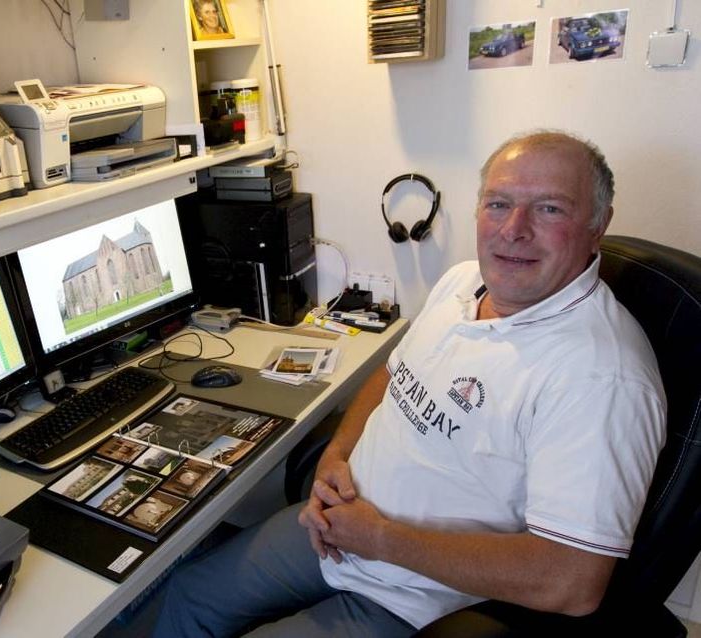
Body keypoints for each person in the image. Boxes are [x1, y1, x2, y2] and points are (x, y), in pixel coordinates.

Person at [151, 131, 666, 637]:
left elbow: (570, 583)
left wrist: (381, 539)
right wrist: (337, 458)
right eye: (498, 203)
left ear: (598, 226)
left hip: (413, 595)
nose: (514, 229)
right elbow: (393, 374)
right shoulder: (463, 281)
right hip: (339, 529)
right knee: (189, 594)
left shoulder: (601, 379)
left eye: (550, 209)